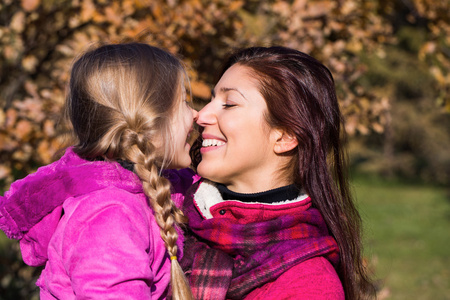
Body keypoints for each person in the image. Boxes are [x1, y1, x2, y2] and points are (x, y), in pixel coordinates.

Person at [0, 42, 198, 299]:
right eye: (183, 102)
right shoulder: (109, 214)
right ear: (148, 119)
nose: (195, 114)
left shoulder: (150, 190)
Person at [180, 46, 375, 299]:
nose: (202, 115)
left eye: (229, 104)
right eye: (211, 99)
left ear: (285, 136)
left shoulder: (309, 285)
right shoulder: (164, 207)